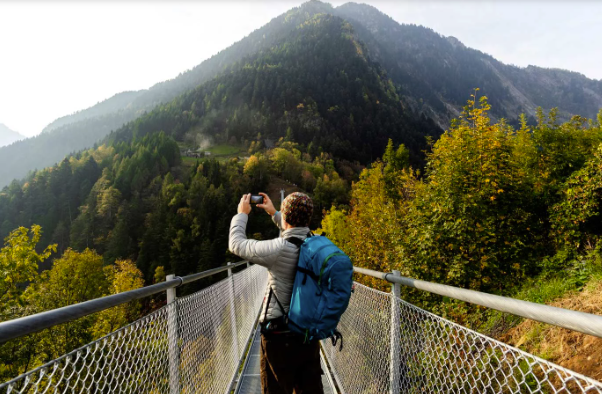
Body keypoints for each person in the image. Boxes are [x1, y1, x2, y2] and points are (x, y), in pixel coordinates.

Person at [229, 192, 323, 394]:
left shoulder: (277, 249)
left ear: (287, 217)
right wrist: (274, 213)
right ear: (308, 218)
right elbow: (296, 232)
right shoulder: (318, 247)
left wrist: (242, 214)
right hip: (309, 335)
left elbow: (236, 245)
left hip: (278, 336)